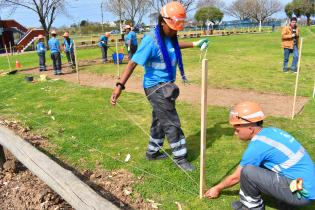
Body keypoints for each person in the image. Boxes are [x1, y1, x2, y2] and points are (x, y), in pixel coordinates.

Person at [110, 1, 208, 171]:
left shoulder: (170, 37)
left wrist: (195, 44)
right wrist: (119, 86)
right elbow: (132, 63)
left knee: (159, 119)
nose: (175, 30)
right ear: (162, 22)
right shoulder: (151, 40)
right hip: (155, 88)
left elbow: (174, 47)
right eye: (172, 26)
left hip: (167, 85)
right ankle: (180, 157)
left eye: (178, 27)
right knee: (171, 121)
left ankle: (153, 152)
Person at [205, 101, 315, 210]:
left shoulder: (257, 147)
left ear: (250, 129)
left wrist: (217, 188)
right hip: (306, 185)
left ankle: (252, 207)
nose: (235, 133)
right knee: (258, 166)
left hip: (302, 193)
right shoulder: (272, 131)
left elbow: (236, 177)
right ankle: (286, 203)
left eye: (237, 130)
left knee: (248, 171)